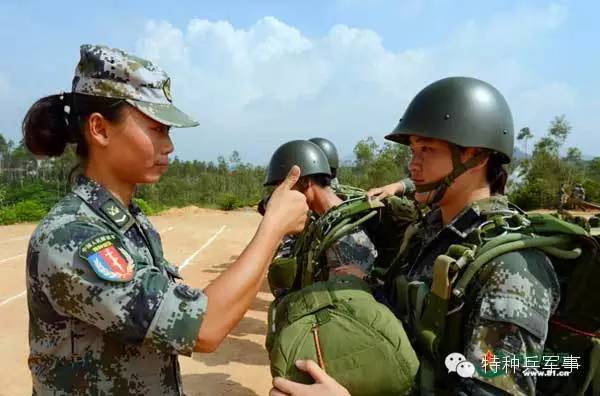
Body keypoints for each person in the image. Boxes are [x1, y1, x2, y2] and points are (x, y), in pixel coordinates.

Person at [23, 44, 308, 395]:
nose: (169, 146)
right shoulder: (72, 236)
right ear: (99, 129)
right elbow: (203, 327)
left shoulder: (130, 222)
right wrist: (273, 228)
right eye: (157, 129)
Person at [270, 77, 560, 396]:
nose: (414, 165)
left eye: (428, 150)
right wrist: (369, 288)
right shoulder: (429, 232)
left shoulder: (511, 268)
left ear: (476, 156)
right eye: (413, 150)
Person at [264, 140, 377, 282]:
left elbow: (357, 298)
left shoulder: (344, 233)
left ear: (305, 182)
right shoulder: (320, 220)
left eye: (285, 187)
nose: (282, 195)